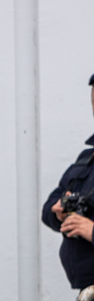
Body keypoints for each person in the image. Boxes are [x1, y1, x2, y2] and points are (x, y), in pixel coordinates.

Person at [42, 74, 94, 288]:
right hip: (87, 289)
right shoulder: (87, 158)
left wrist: (91, 231)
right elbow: (49, 206)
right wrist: (59, 213)